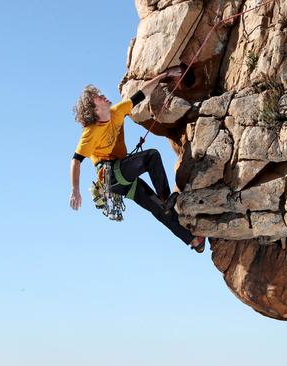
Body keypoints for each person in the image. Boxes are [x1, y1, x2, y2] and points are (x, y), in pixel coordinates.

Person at [69, 66, 205, 253]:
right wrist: (75, 189)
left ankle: (193, 241)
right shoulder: (91, 132)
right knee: (152, 157)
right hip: (111, 175)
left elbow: (143, 93)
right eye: (99, 97)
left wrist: (165, 75)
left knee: (157, 208)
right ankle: (166, 200)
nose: (104, 96)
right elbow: (76, 161)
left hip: (123, 177)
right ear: (94, 109)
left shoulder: (117, 111)